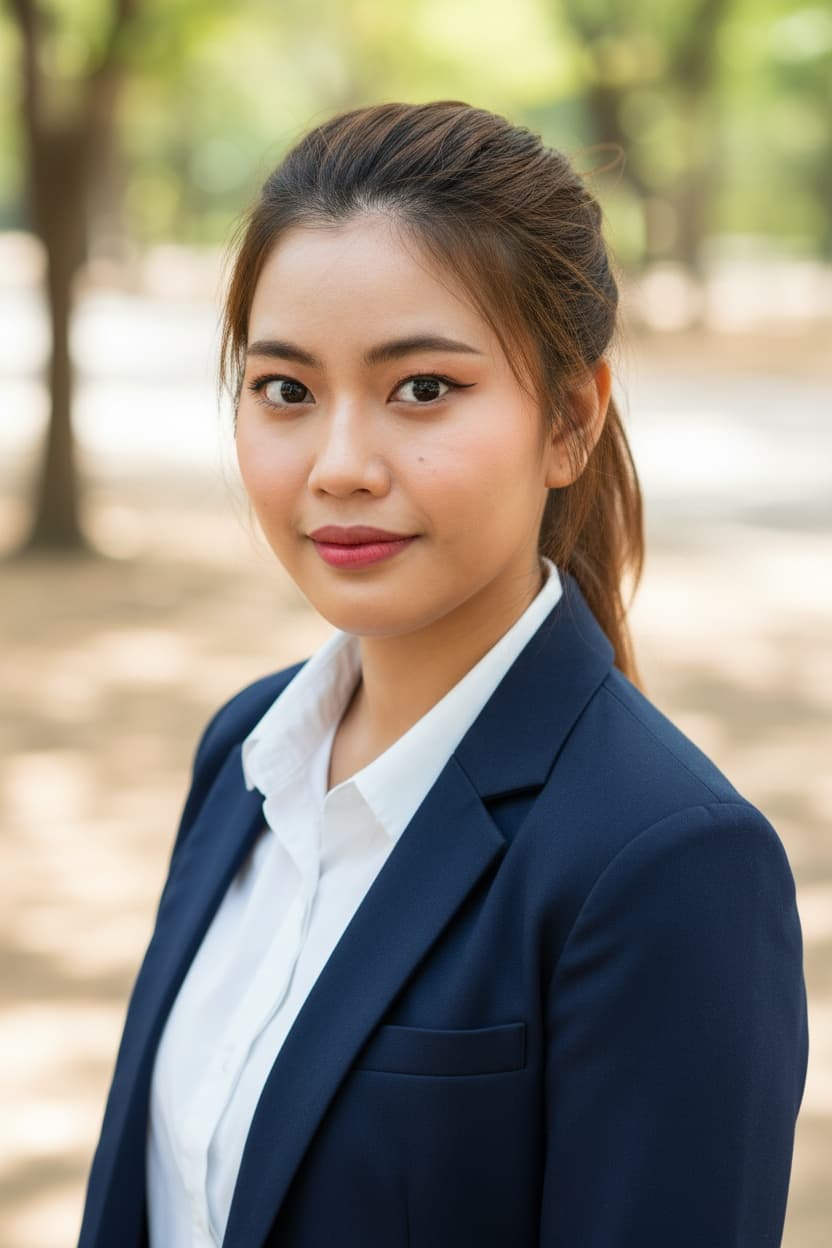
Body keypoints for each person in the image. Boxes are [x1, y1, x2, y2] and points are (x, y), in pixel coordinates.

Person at [77, 101, 808, 1248]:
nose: (340, 466)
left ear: (569, 418)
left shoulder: (667, 861)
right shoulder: (243, 753)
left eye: (422, 388)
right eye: (285, 389)